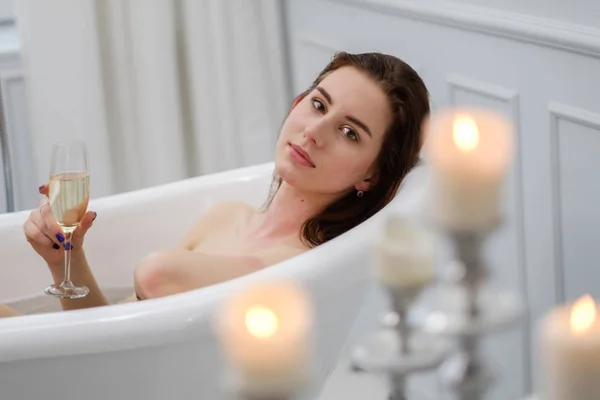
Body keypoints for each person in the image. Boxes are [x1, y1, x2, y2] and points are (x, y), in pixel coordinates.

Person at [1, 51, 430, 318]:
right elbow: (104, 336)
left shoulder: (302, 265)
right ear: (298, 103)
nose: (315, 131)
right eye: (318, 104)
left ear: (370, 175)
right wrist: (64, 260)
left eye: (350, 132)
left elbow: (158, 276)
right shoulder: (224, 216)